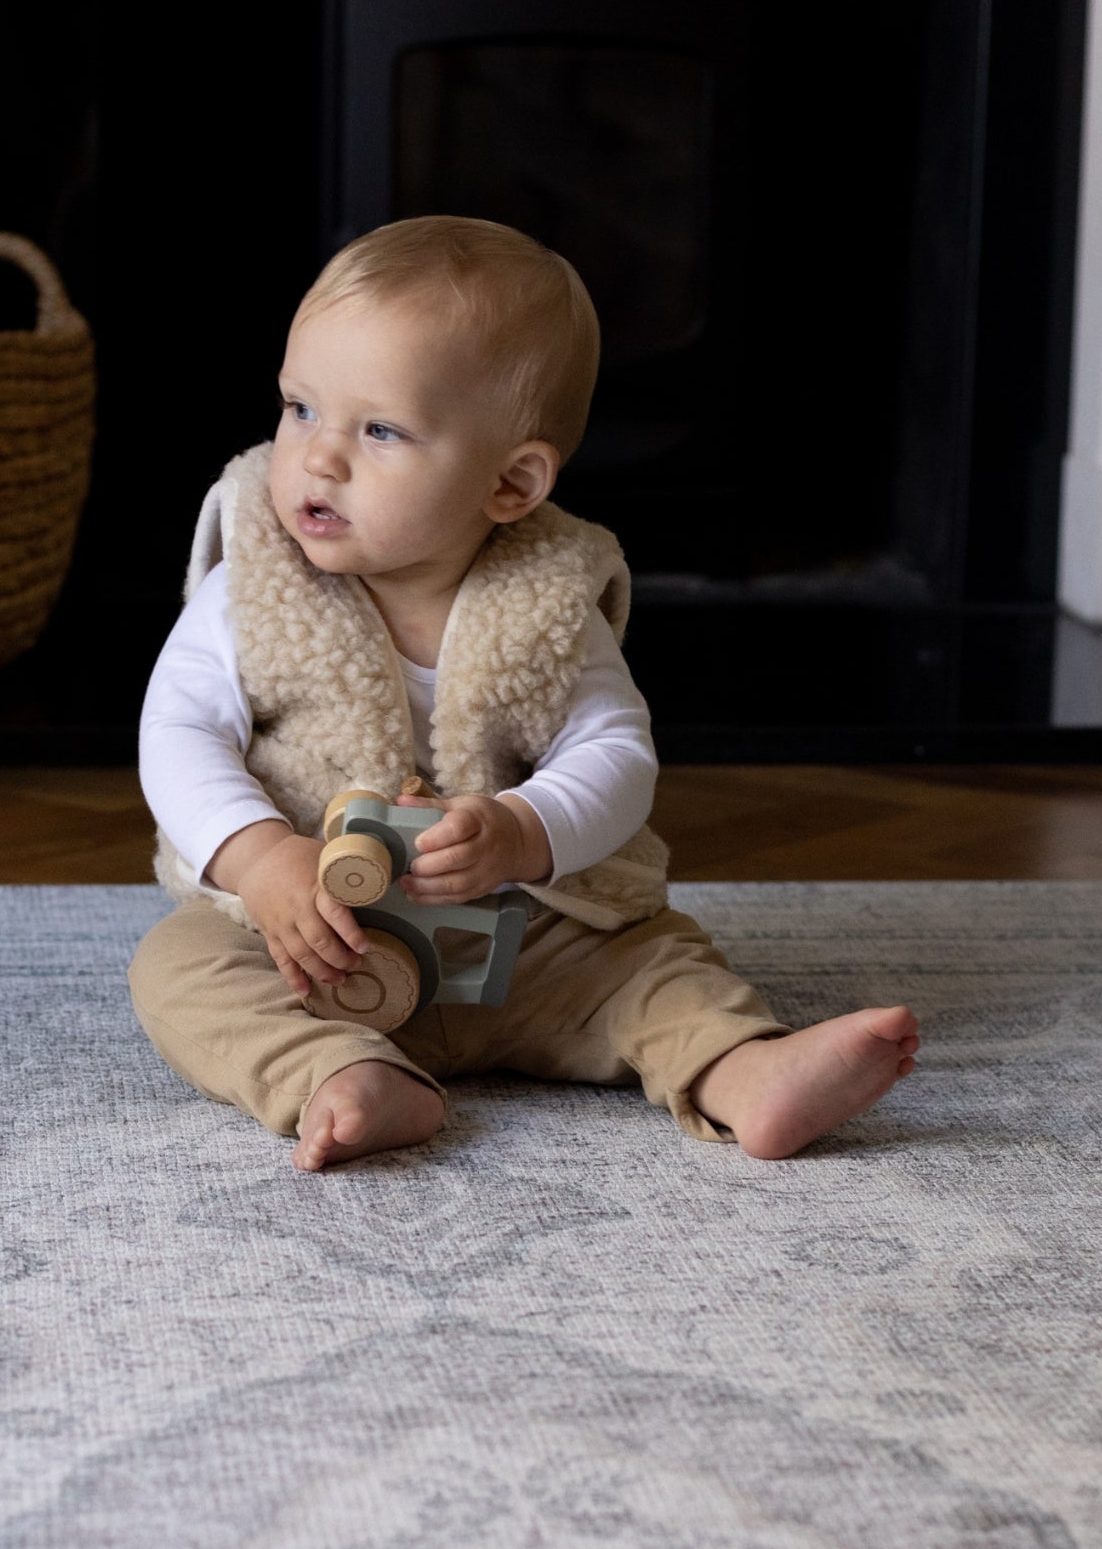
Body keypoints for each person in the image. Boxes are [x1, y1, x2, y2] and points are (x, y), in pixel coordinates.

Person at [129, 216, 919, 1171]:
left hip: (523, 945)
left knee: (654, 962)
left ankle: (743, 1072)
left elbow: (616, 755)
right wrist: (258, 861)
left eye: (378, 429)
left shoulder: (542, 605)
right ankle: (337, 1076)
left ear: (512, 482)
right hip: (315, 943)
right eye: (300, 408)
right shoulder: (253, 587)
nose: (320, 457)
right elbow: (177, 732)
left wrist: (520, 829)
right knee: (179, 971)